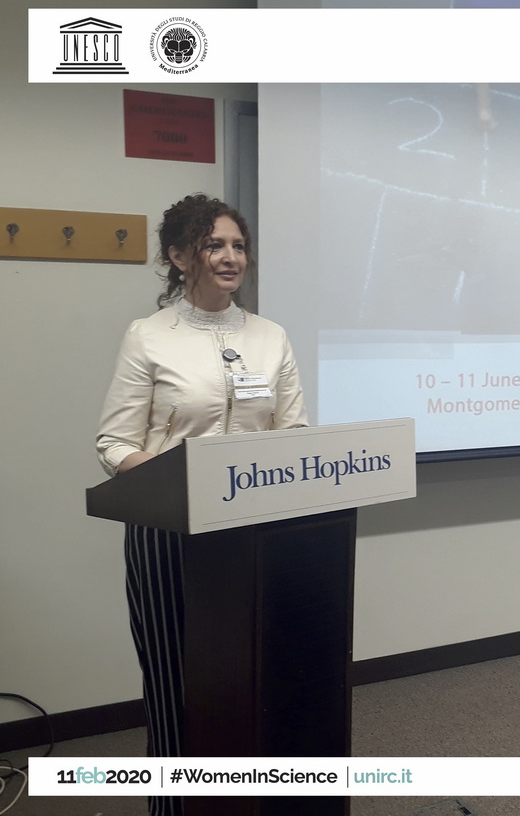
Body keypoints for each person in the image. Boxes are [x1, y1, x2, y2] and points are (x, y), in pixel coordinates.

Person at [96, 194, 308, 816]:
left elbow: (294, 435)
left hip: (254, 532)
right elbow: (114, 443)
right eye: (213, 245)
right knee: (176, 683)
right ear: (180, 256)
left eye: (238, 245)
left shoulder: (270, 337)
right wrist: (178, 485)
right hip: (170, 530)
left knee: (253, 677)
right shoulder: (150, 336)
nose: (230, 256)